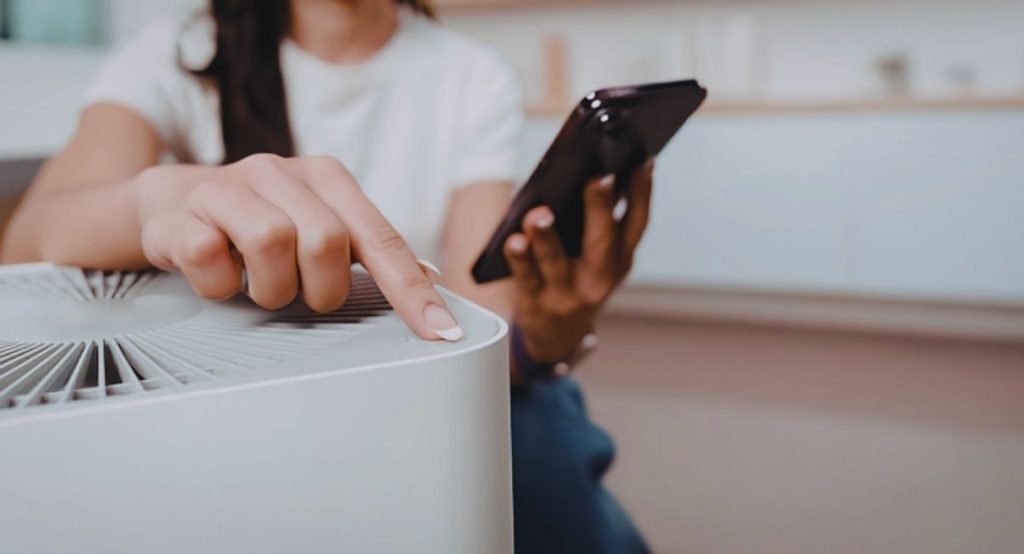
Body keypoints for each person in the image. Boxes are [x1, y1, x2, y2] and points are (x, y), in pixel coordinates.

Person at [0, 1, 652, 551]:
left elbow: (477, 323)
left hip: (431, 392)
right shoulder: (179, 53)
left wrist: (545, 339)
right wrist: (158, 199)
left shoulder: (468, 75)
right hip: (249, 405)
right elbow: (28, 240)